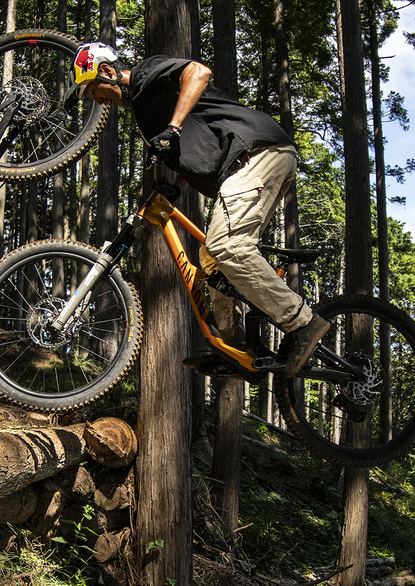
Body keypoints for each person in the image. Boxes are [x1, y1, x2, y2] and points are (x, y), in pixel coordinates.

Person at [73, 41, 330, 376]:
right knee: (212, 260)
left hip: (256, 153)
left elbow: (198, 71)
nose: (96, 99)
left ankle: (303, 322)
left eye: (92, 90)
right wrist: (175, 184)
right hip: (246, 165)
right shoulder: (145, 110)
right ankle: (237, 348)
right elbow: (193, 147)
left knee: (228, 246)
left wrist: (173, 128)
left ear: (107, 71)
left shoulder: (146, 74)